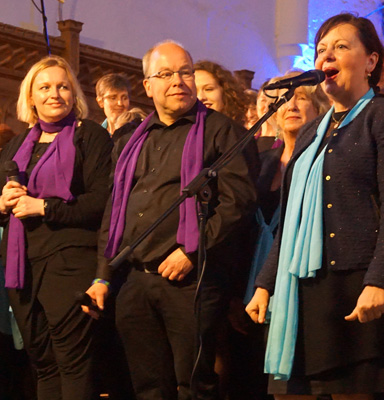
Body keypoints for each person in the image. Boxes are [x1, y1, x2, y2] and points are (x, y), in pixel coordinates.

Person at [84, 39, 258, 400]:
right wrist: (103, 275)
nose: (178, 81)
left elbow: (237, 204)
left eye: (185, 72)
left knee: (194, 387)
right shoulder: (130, 141)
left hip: (190, 280)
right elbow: (115, 211)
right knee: (148, 389)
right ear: (148, 86)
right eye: (165, 74)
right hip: (134, 281)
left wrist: (192, 250)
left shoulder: (222, 131)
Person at [246, 13, 384, 399]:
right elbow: (291, 220)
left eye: (341, 47)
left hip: (357, 289)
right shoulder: (311, 132)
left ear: (371, 61)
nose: (326, 55)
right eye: (321, 49)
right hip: (303, 293)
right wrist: (265, 284)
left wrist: (380, 281)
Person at [0, 55, 113, 400]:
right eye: (45, 87)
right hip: (22, 269)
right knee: (43, 365)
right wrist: (3, 203)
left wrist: (45, 207)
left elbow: (102, 202)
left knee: (73, 364)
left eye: (63, 86)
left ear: (74, 94)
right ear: (30, 97)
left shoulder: (90, 136)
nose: (54, 94)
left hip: (70, 263)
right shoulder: (17, 145)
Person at [258, 71, 330, 226]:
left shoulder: (325, 160)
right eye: (285, 99)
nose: (291, 106)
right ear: (275, 113)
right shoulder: (261, 161)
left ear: (318, 108)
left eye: (302, 98)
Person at [194, 60, 248, 126]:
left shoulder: (235, 130)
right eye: (194, 91)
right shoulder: (184, 130)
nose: (200, 97)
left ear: (225, 91)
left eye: (208, 89)